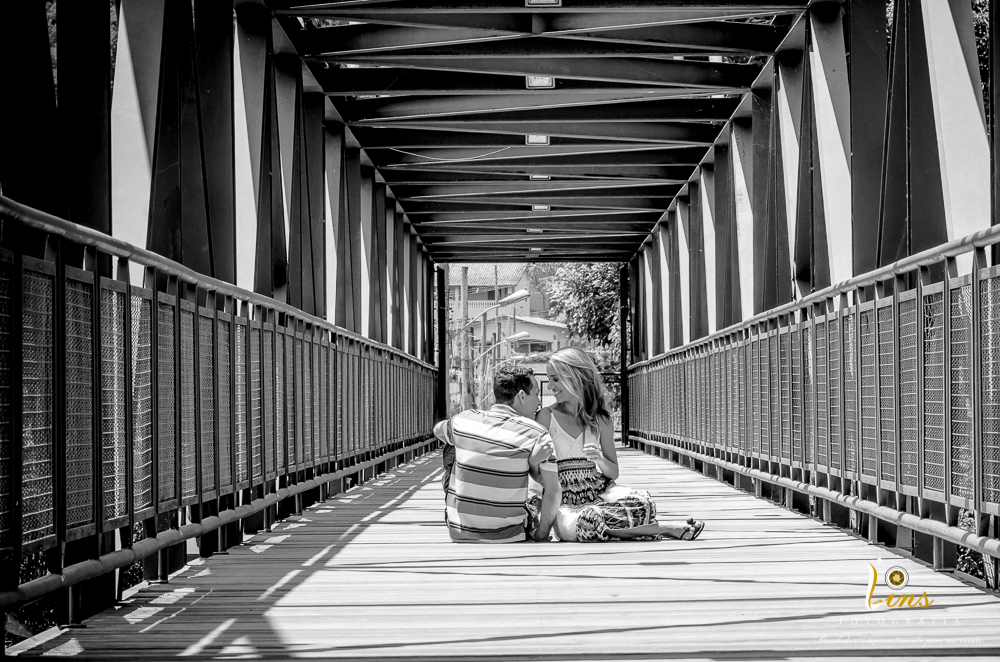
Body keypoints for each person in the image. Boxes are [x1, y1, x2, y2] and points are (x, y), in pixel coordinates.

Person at [535, 347, 705, 543]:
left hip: (598, 492)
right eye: (549, 379)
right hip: (565, 502)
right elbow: (539, 474)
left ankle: (642, 528)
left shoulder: (601, 420)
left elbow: (613, 472)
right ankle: (663, 529)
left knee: (642, 503)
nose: (550, 386)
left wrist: (599, 459)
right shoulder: (546, 417)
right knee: (590, 520)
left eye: (555, 379)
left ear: (575, 377)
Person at [435, 366, 561, 543]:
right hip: (510, 534)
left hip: (460, 532)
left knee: (451, 445)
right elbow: (554, 491)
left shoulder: (464, 419)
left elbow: (437, 431)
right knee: (536, 477)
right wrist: (541, 535)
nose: (539, 403)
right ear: (522, 396)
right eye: (536, 394)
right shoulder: (537, 433)